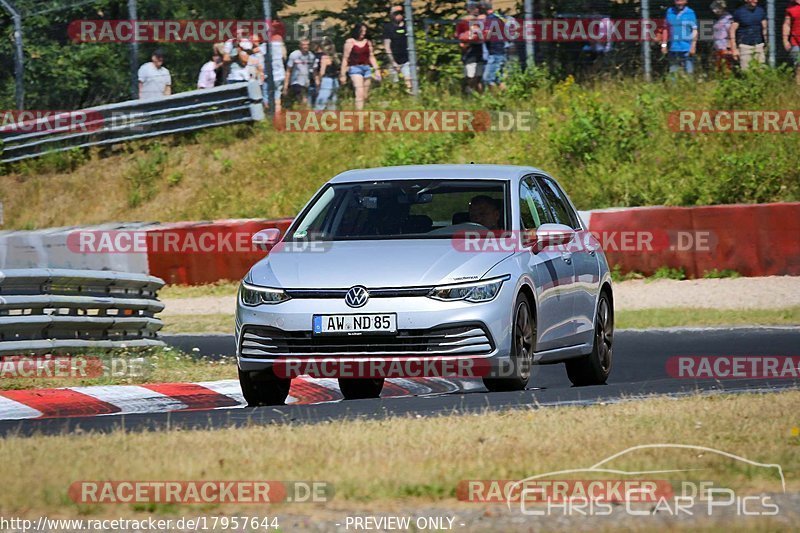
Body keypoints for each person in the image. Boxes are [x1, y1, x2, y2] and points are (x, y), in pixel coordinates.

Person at [340, 23, 381, 110]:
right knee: (359, 92)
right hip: (355, 68)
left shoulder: (367, 42)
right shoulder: (350, 42)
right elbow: (345, 58)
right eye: (362, 31)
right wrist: (342, 74)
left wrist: (377, 69)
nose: (363, 33)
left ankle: (363, 109)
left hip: (366, 68)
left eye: (365, 31)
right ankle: (359, 115)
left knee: (365, 95)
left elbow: (371, 56)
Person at [661, 0, 699, 75]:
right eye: (677, 1)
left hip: (687, 48)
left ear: (686, 1)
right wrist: (664, 45)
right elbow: (665, 29)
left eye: (681, 1)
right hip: (673, 48)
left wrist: (693, 46)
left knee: (689, 72)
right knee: (673, 72)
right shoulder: (669, 12)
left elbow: (694, 30)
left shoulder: (690, 13)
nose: (679, 3)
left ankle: (689, 86)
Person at [458, 1, 486, 94]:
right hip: (470, 53)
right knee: (470, 76)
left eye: (478, 8)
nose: (477, 10)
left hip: (481, 52)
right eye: (474, 8)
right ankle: (467, 92)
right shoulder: (464, 21)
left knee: (479, 76)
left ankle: (480, 97)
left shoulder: (482, 20)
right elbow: (461, 40)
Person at [730, 0, 767, 69]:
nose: (755, 1)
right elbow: (732, 31)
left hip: (759, 45)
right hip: (744, 46)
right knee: (746, 71)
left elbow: (764, 29)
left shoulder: (761, 11)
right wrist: (734, 49)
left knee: (761, 70)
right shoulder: (739, 12)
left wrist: (766, 44)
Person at [383, 6, 412, 91]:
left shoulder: (407, 26)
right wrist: (393, 62)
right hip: (394, 60)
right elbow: (387, 46)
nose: (399, 16)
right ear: (391, 15)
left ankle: (411, 98)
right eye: (396, 14)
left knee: (408, 81)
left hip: (406, 60)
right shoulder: (388, 28)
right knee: (394, 84)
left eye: (400, 13)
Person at [481, 1, 507, 90]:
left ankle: (493, 100)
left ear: (483, 8)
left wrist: (475, 37)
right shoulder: (498, 18)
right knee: (499, 80)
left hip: (495, 54)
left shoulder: (491, 19)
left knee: (488, 79)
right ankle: (506, 99)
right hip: (500, 52)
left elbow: (487, 35)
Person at [285, 39, 315, 107]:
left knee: (303, 102)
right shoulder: (294, 55)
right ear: (300, 46)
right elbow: (288, 70)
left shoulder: (311, 56)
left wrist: (317, 82)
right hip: (296, 82)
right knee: (303, 99)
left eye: (307, 45)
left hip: (306, 82)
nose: (305, 46)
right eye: (303, 45)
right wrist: (286, 85)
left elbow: (314, 71)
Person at [263, 31, 287, 113]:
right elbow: (284, 57)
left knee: (266, 99)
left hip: (268, 77)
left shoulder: (264, 46)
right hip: (280, 75)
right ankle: (277, 118)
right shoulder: (280, 46)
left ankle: (269, 118)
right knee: (277, 98)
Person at [315, 37, 341, 111]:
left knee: (321, 101)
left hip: (326, 80)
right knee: (332, 101)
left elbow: (322, 72)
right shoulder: (336, 58)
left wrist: (319, 81)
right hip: (335, 81)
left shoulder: (324, 58)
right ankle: (331, 119)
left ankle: (316, 117)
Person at [711, 0, 735, 73]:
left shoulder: (728, 18)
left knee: (726, 67)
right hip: (717, 46)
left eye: (718, 8)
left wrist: (729, 46)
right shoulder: (718, 18)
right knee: (717, 67)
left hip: (724, 46)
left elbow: (730, 32)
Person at [784, 0, 800, 84]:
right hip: (795, 42)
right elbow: (787, 24)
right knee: (798, 65)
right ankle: (798, 87)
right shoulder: (790, 7)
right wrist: (785, 40)